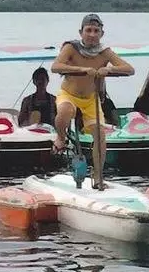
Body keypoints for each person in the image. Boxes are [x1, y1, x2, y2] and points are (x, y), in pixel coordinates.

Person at [51, 13, 134, 189]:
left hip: (90, 100)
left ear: (102, 34)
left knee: (100, 135)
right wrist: (83, 69)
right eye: (88, 30)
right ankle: (60, 138)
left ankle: (97, 176)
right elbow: (56, 67)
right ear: (81, 32)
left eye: (96, 31)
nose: (92, 34)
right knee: (64, 112)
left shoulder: (105, 52)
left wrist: (109, 70)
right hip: (69, 95)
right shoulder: (71, 47)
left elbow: (129, 69)